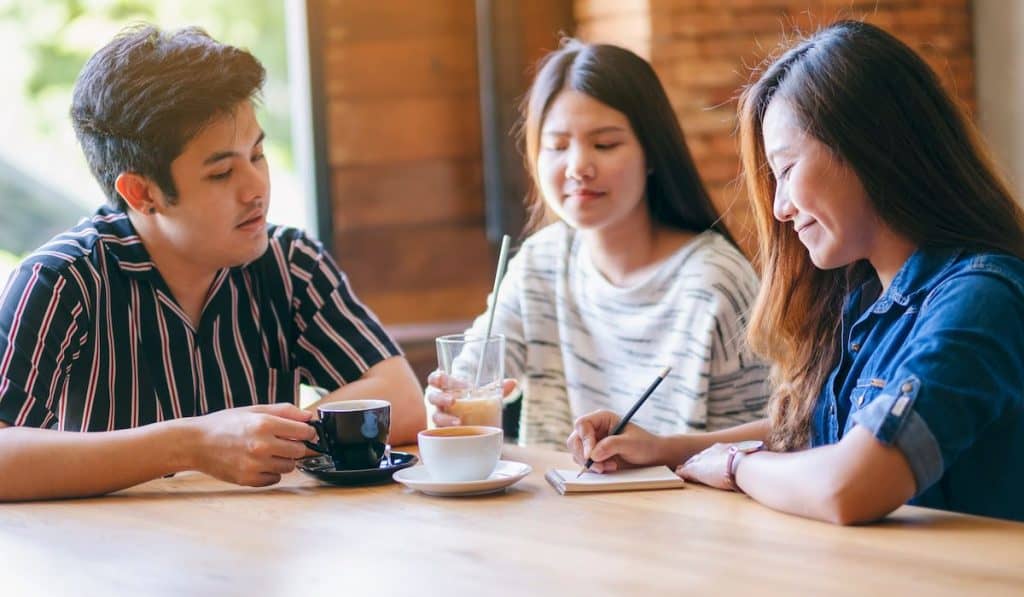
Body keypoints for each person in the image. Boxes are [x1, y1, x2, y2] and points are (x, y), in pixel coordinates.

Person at [568, 20, 1024, 524]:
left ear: (870, 147)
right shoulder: (865, 295)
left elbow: (848, 485)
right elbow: (815, 432)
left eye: (786, 170)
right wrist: (665, 449)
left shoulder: (980, 298)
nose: (780, 207)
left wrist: (740, 466)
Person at [0, 25, 426, 500]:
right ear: (142, 194)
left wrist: (264, 440)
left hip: (261, 553)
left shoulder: (290, 263)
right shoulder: (62, 279)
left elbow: (401, 396)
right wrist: (192, 444)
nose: (256, 188)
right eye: (221, 172)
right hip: (112, 562)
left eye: (258, 154)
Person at [428, 39, 770, 448]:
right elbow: (475, 370)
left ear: (652, 153)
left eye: (605, 144)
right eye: (556, 146)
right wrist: (448, 402)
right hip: (553, 508)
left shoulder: (715, 281)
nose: (577, 168)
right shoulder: (540, 262)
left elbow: (768, 439)